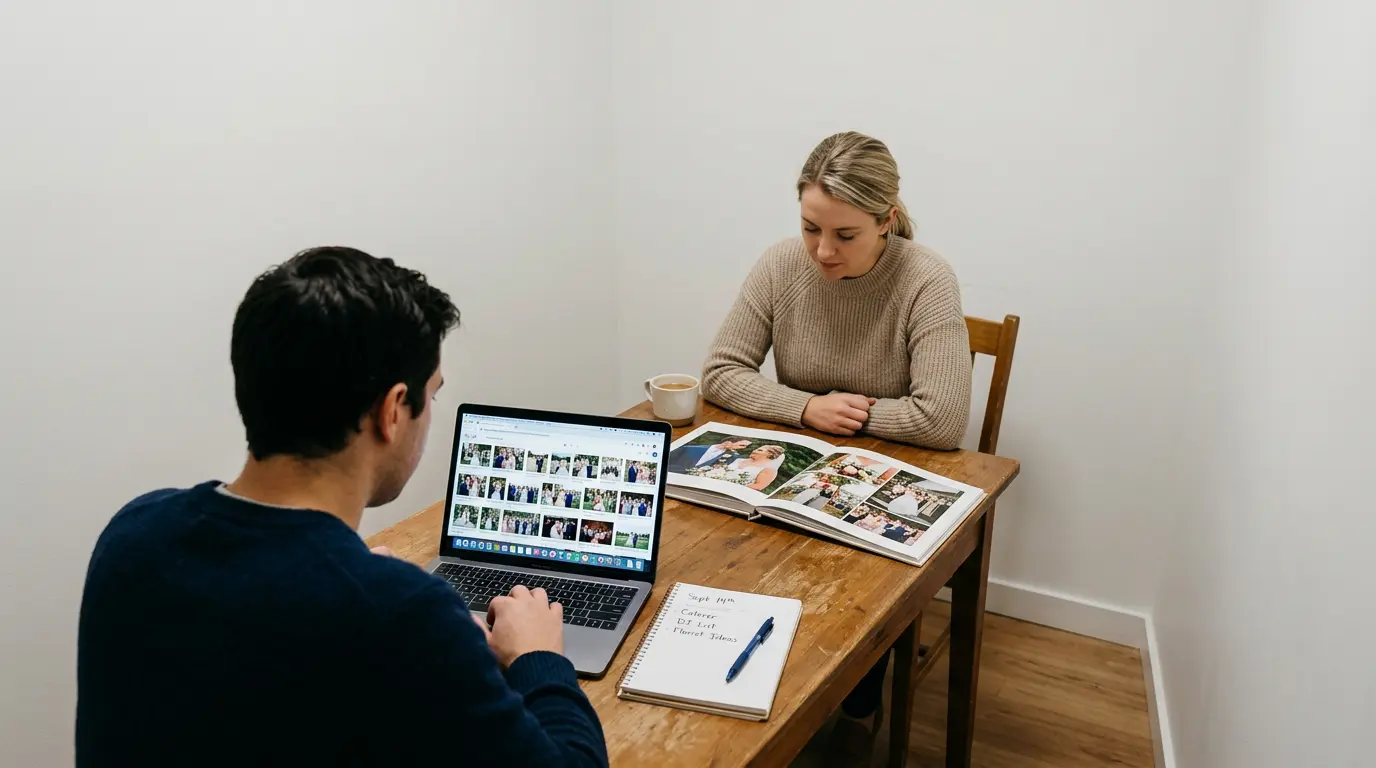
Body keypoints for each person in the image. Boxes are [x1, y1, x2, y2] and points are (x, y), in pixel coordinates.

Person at [76, 247, 606, 767]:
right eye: (433, 396)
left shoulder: (133, 535)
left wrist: (375, 589)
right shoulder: (399, 617)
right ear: (394, 410)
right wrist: (539, 658)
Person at [701, 130, 971, 457]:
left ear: (886, 221)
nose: (824, 251)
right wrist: (808, 407)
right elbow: (720, 373)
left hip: (890, 462)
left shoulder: (927, 279)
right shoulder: (780, 264)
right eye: (811, 229)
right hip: (798, 455)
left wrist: (839, 415)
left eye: (845, 235)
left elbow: (942, 421)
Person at [668, 438, 751, 474]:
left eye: (746, 447)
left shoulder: (731, 457)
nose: (744, 448)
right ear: (728, 442)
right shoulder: (687, 448)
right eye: (742, 445)